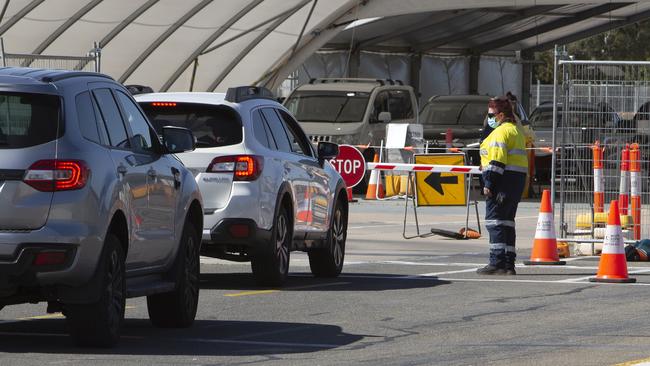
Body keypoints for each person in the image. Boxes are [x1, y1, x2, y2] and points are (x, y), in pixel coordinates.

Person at [477, 96, 529, 275]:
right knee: (507, 223)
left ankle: (496, 262)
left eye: (491, 114)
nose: (489, 117)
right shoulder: (516, 130)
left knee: (494, 222)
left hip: (501, 181)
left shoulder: (500, 132)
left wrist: (489, 183)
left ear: (500, 115)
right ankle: (508, 264)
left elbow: (497, 161)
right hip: (515, 182)